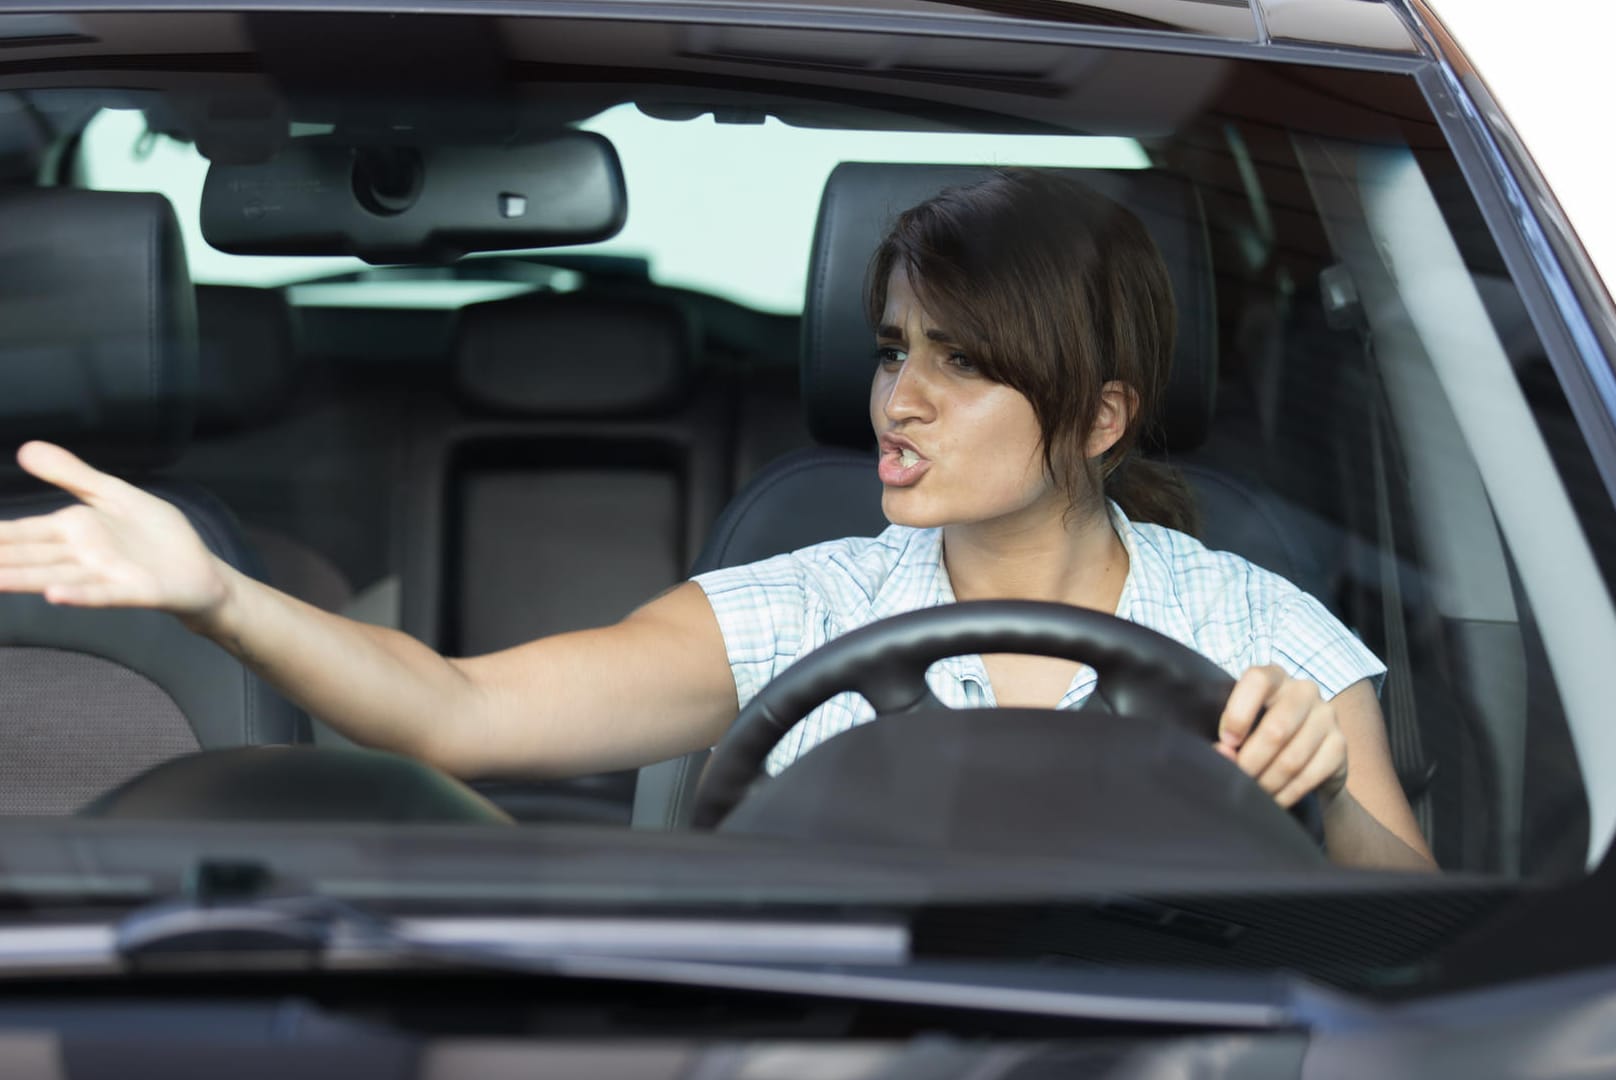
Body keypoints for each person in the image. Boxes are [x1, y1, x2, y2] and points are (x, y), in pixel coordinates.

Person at [0, 169, 1435, 870]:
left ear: (1104, 417)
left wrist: (1325, 803)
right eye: (892, 349)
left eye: (965, 362)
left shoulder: (1255, 627)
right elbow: (454, 714)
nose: (902, 400)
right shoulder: (799, 604)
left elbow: (1410, 920)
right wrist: (215, 598)